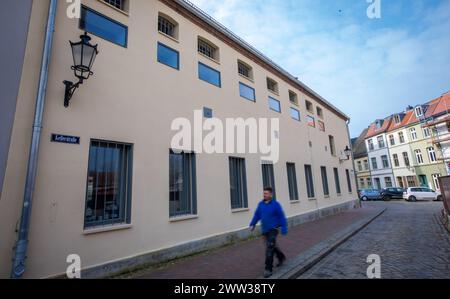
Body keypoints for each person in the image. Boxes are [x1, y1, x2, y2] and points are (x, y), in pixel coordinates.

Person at [250, 187, 288, 278]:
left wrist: (284, 227)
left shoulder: (276, 204)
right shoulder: (260, 204)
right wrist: (253, 224)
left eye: (266, 193)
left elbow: (281, 216)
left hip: (273, 229)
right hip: (265, 230)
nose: (264, 195)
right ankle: (281, 256)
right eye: (264, 193)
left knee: (269, 248)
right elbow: (257, 215)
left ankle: (268, 269)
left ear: (271, 194)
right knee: (271, 246)